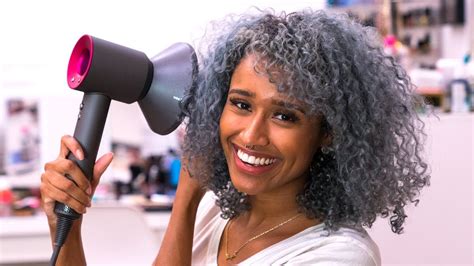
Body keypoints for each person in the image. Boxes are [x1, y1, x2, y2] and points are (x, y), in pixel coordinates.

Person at [40, 9, 430, 265]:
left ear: (327, 133)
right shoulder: (218, 213)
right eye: (241, 104)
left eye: (284, 115)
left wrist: (186, 200)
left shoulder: (338, 256)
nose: (252, 134)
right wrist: (68, 232)